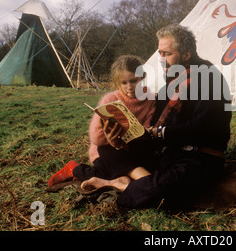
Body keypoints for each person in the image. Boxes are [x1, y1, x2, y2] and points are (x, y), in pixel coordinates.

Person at [85, 24, 232, 209]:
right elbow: (154, 132)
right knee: (107, 150)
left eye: (167, 54)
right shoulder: (169, 86)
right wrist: (119, 141)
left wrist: (158, 133)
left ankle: (123, 184)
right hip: (169, 154)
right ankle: (142, 180)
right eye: (159, 53)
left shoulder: (209, 79)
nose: (161, 60)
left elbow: (201, 129)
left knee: (159, 194)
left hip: (199, 159)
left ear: (186, 55)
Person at [47, 55, 156, 189]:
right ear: (117, 83)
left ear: (142, 77)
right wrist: (112, 140)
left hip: (132, 148)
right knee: (107, 158)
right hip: (107, 149)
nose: (130, 87)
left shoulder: (150, 99)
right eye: (124, 83)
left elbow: (146, 130)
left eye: (134, 81)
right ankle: (74, 169)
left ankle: (121, 180)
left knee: (110, 172)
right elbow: (97, 139)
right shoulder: (110, 100)